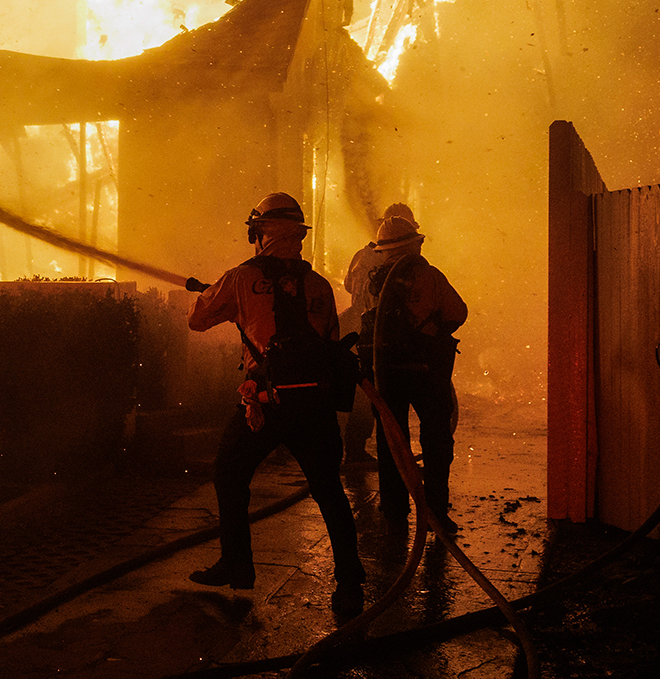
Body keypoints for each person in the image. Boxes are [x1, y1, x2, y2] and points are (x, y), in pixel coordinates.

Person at [187, 192, 367, 615]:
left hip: (265, 404)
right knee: (329, 490)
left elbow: (198, 320)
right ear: (298, 236)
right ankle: (350, 578)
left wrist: (223, 297)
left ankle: (237, 564)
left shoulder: (241, 278)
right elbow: (330, 342)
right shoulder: (318, 285)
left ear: (259, 233)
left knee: (229, 474)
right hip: (315, 405)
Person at [358, 211, 467, 533]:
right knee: (436, 441)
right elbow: (457, 313)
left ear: (385, 250)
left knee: (391, 442)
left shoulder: (372, 282)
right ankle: (435, 512)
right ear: (414, 245)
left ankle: (394, 510)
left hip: (386, 372)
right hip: (426, 371)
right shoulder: (429, 276)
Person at [340, 202, 417, 461]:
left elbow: (348, 285)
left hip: (358, 326)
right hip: (379, 331)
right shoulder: (399, 261)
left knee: (366, 391)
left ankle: (357, 448)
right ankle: (363, 451)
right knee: (376, 394)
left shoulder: (362, 254)